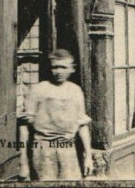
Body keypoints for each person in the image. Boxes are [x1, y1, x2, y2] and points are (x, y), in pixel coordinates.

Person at [19, 49, 93, 181]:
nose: (59, 71)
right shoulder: (39, 89)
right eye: (55, 67)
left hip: (68, 150)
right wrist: (23, 162)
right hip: (43, 151)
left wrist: (88, 156)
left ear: (72, 69)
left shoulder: (75, 91)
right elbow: (24, 127)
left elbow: (82, 125)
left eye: (63, 67)